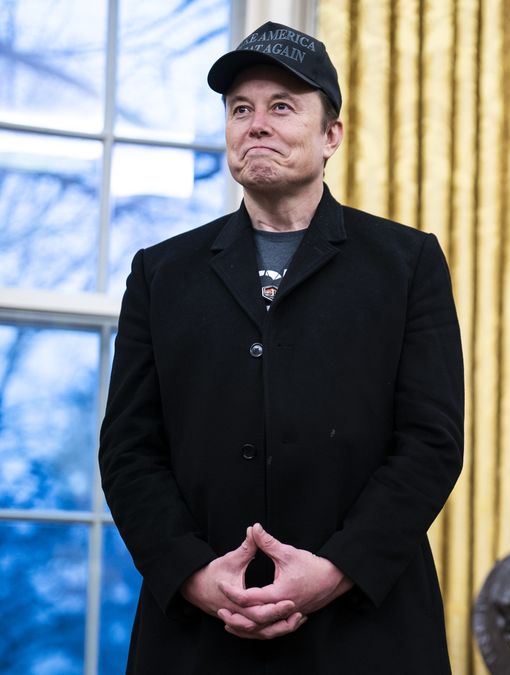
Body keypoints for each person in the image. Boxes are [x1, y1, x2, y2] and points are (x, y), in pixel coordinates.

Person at [98, 21, 464, 674]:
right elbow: (129, 449)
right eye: (241, 108)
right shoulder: (162, 274)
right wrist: (192, 575)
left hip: (367, 633)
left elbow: (431, 441)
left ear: (332, 137)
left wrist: (337, 568)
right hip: (196, 636)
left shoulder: (407, 264)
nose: (256, 123)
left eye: (282, 106)